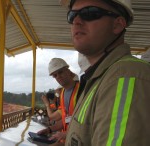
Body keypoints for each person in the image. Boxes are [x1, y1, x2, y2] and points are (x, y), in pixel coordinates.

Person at [61, 0, 150, 145]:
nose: (76, 21)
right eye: (72, 15)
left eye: (89, 13)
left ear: (117, 25)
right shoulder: (99, 78)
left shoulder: (125, 76)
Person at [37, 58, 80, 143]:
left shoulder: (81, 90)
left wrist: (65, 134)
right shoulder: (63, 93)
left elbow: (86, 123)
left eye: (60, 72)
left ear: (68, 71)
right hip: (67, 139)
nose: (58, 76)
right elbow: (65, 119)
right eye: (55, 75)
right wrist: (49, 129)